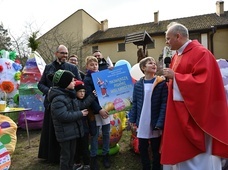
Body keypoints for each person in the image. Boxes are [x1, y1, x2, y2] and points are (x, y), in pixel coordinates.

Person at [161, 22, 228, 170]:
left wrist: (176, 77)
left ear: (178, 36)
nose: (166, 42)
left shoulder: (201, 53)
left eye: (168, 38)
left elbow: (204, 83)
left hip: (198, 115)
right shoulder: (177, 55)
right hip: (179, 112)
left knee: (200, 159)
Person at [38, 45, 81, 163]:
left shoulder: (72, 67)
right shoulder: (48, 67)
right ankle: (52, 157)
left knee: (67, 133)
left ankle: (70, 159)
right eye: (62, 53)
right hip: (51, 104)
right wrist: (49, 91)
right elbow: (40, 84)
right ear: (56, 53)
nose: (65, 56)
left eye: (66, 53)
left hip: (68, 105)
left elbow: (79, 82)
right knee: (52, 131)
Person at [47, 69, 96, 170]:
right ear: (65, 82)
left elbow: (81, 105)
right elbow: (63, 116)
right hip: (65, 133)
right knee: (66, 156)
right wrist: (80, 114)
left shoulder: (69, 95)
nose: (75, 82)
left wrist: (92, 96)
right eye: (72, 80)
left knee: (71, 155)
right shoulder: (58, 99)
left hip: (72, 132)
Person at [129, 56, 168, 170]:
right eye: (150, 63)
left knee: (156, 149)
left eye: (154, 63)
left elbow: (164, 104)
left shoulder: (160, 83)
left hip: (155, 121)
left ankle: (156, 167)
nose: (154, 65)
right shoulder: (138, 85)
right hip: (142, 121)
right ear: (143, 68)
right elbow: (135, 103)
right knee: (143, 147)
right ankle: (146, 167)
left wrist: (160, 122)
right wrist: (132, 118)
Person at [83, 56, 112, 170]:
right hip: (95, 112)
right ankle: (93, 157)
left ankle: (106, 154)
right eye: (91, 65)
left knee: (106, 133)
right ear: (87, 66)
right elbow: (90, 97)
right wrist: (99, 109)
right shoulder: (87, 79)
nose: (94, 66)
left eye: (96, 64)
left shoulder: (102, 75)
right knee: (94, 135)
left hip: (107, 109)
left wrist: (112, 72)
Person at [74, 80, 96, 170]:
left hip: (84, 129)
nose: (82, 93)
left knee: (85, 147)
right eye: (79, 91)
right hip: (76, 129)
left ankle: (87, 164)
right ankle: (77, 163)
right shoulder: (74, 101)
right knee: (76, 148)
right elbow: (82, 105)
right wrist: (92, 96)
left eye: (83, 91)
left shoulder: (84, 99)